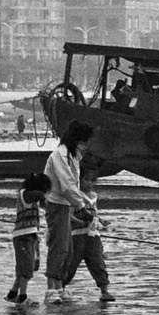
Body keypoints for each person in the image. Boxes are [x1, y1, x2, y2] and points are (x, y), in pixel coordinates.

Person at [43, 121, 113, 303]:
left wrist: (80, 205)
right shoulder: (60, 155)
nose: (86, 146)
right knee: (58, 248)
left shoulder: (73, 156)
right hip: (57, 204)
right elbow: (67, 185)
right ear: (78, 140)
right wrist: (81, 206)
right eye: (85, 141)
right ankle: (52, 290)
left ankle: (59, 288)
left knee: (67, 249)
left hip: (66, 204)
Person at [7, 172, 46, 305]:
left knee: (24, 267)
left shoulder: (26, 194)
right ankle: (22, 296)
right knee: (26, 268)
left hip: (29, 234)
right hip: (23, 236)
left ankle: (12, 294)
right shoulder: (27, 195)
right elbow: (40, 196)